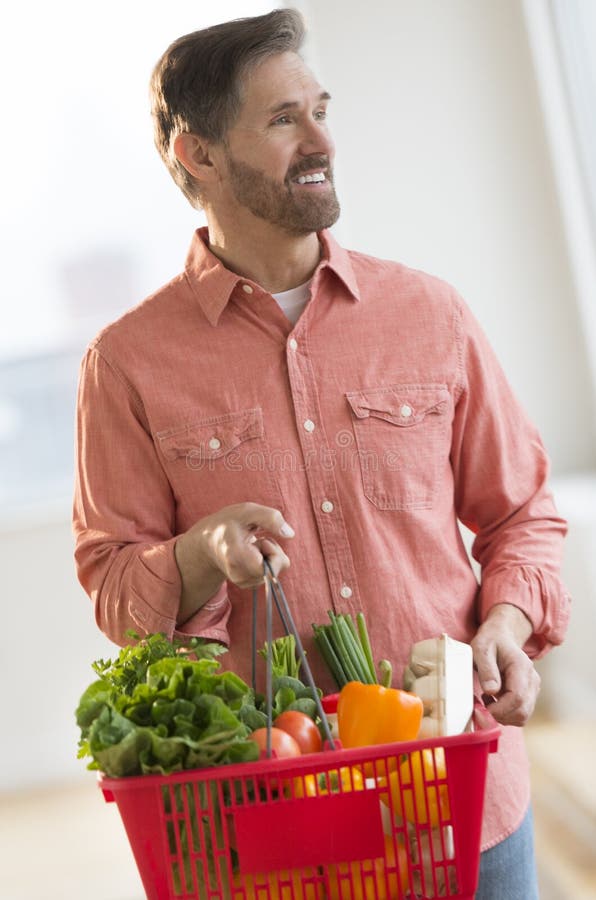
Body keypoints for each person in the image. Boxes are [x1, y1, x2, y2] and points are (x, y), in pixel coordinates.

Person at [73, 9, 569, 898]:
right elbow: (114, 585)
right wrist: (200, 555)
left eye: (321, 109)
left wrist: (505, 629)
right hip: (273, 824)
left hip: (463, 800)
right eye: (282, 119)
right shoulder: (129, 364)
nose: (321, 141)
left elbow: (521, 513)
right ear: (199, 156)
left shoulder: (429, 314)